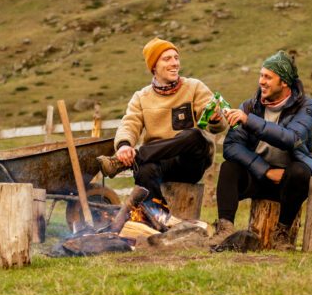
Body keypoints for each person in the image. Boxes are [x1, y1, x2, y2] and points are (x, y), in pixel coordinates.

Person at [97, 37, 227, 228]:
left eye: (176, 57)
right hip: (160, 163)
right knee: (144, 169)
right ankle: (160, 218)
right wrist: (124, 146)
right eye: (167, 59)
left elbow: (217, 125)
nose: (175, 63)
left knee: (194, 135)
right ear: (154, 67)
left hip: (190, 162)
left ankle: (133, 159)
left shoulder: (194, 87)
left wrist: (216, 119)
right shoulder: (141, 97)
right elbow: (129, 124)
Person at [215, 50, 312, 250]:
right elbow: (231, 146)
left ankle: (282, 234)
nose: (262, 81)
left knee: (299, 172)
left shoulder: (306, 106)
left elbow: (292, 138)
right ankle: (225, 229)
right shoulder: (250, 106)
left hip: (288, 183)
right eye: (261, 75)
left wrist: (249, 121)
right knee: (229, 167)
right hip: (259, 176)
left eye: (268, 77)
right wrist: (264, 170)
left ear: (284, 82)